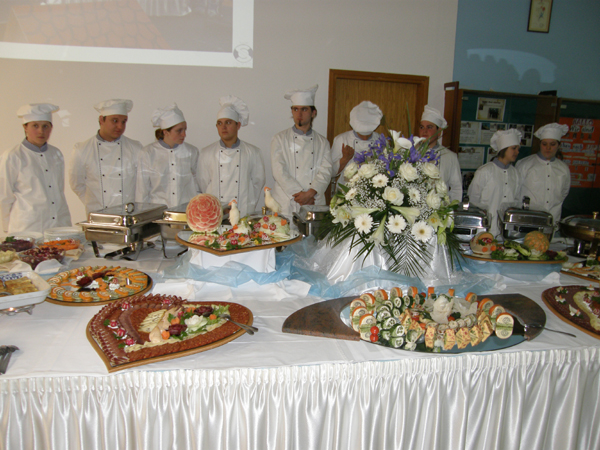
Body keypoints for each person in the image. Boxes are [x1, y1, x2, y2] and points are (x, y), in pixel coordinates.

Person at [0, 103, 72, 234]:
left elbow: (59, 191)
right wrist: (7, 227)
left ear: (51, 128)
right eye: (35, 126)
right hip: (27, 227)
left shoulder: (56, 154)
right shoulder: (13, 156)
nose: (41, 131)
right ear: (25, 127)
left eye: (45, 126)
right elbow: (4, 196)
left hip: (59, 225)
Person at [69, 99, 142, 214]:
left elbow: (141, 185)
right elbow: (77, 184)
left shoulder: (135, 148)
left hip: (128, 217)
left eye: (124, 122)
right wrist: (94, 204)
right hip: (98, 217)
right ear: (101, 120)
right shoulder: (82, 150)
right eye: (115, 120)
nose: (120, 126)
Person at [270, 84, 332, 216]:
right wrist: (299, 194)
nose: (299, 114)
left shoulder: (323, 142)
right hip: (286, 202)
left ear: (313, 113)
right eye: (295, 109)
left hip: (313, 201)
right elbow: (278, 170)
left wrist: (310, 193)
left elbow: (326, 171)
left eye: (304, 109)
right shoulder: (279, 139)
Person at [198, 96, 265, 217]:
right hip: (215, 215)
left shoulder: (253, 152)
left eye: (228, 123)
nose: (223, 127)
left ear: (238, 125)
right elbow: (203, 183)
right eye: (220, 123)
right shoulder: (206, 153)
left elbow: (257, 182)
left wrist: (246, 204)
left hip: (243, 214)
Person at [136, 103, 200, 208]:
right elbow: (142, 190)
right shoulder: (148, 153)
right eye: (179, 130)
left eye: (184, 129)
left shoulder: (191, 152)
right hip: (158, 213)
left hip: (186, 212)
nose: (184, 134)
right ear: (166, 132)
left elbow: (198, 185)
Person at [467, 128, 522, 238]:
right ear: (504, 149)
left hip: (506, 233)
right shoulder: (485, 171)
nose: (517, 152)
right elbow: (473, 199)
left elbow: (516, 201)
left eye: (518, 149)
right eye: (514, 148)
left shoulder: (515, 173)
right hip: (484, 230)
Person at [516, 123, 570, 226]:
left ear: (559, 145)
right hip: (528, 220)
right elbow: (515, 191)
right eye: (544, 144)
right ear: (540, 144)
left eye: (552, 144)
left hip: (552, 220)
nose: (548, 148)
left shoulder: (563, 168)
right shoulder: (525, 164)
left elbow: (564, 193)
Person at [330, 101, 382, 194]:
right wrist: (344, 159)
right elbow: (331, 172)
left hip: (373, 193)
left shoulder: (381, 140)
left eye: (368, 134)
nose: (365, 137)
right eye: (361, 134)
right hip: (345, 192)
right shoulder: (341, 139)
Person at [419, 105, 463, 202]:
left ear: (439, 132)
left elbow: (457, 188)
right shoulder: (411, 153)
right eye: (422, 127)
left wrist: (448, 209)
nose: (424, 131)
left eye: (429, 127)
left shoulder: (450, 157)